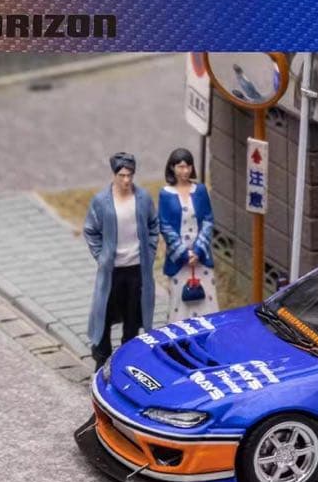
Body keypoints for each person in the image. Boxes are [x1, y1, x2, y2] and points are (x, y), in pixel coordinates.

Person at [84, 152, 159, 369]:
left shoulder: (143, 198)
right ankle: (101, 358)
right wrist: (101, 256)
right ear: (114, 175)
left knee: (132, 316)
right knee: (104, 314)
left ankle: (127, 359)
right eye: (122, 175)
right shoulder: (102, 201)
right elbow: (91, 229)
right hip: (112, 270)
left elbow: (153, 225)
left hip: (136, 268)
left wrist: (149, 252)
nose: (126, 180)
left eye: (130, 175)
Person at [159, 148, 219, 320]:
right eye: (180, 167)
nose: (184, 171)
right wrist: (185, 254)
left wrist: (198, 251)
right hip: (179, 258)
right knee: (180, 301)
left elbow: (208, 220)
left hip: (201, 256)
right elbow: (165, 226)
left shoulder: (200, 190)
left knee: (206, 298)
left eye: (188, 167)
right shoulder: (166, 194)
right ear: (172, 168)